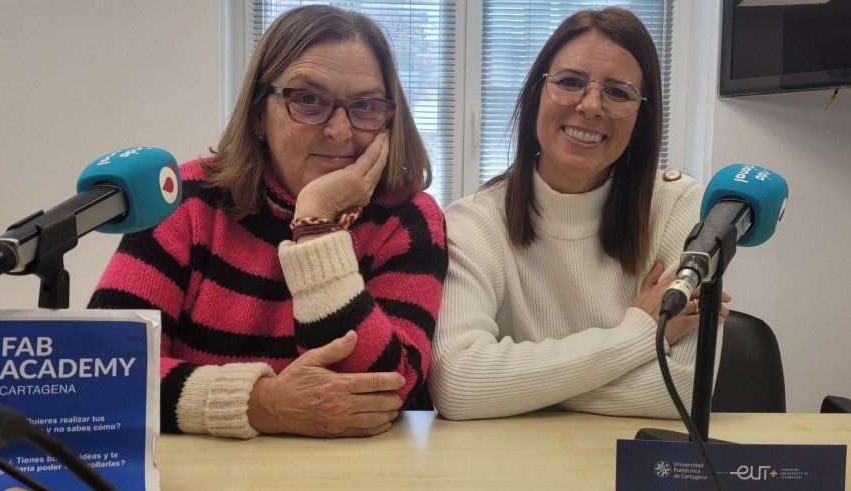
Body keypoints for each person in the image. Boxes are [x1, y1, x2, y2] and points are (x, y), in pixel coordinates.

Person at [88, 5, 447, 439]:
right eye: (309, 100)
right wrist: (259, 403)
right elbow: (100, 372)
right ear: (260, 113)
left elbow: (389, 390)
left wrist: (315, 226)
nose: (339, 130)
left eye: (366, 106)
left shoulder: (409, 220)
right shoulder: (184, 198)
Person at [428, 7, 729, 421]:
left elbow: (684, 389)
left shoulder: (680, 205)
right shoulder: (473, 221)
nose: (590, 107)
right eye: (570, 82)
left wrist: (513, 387)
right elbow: (458, 384)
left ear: (643, 117)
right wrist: (639, 333)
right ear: (537, 94)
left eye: (618, 93)